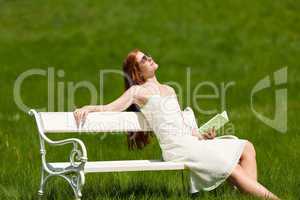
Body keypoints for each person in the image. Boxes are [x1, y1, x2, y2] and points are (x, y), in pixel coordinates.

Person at [73, 49, 280, 200]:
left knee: (247, 146)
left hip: (191, 142)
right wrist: (89, 107)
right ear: (137, 71)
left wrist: (202, 135)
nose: (150, 58)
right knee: (231, 168)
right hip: (177, 149)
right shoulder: (137, 92)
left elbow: (181, 125)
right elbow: (111, 108)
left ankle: (248, 194)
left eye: (148, 55)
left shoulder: (169, 90)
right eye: (144, 59)